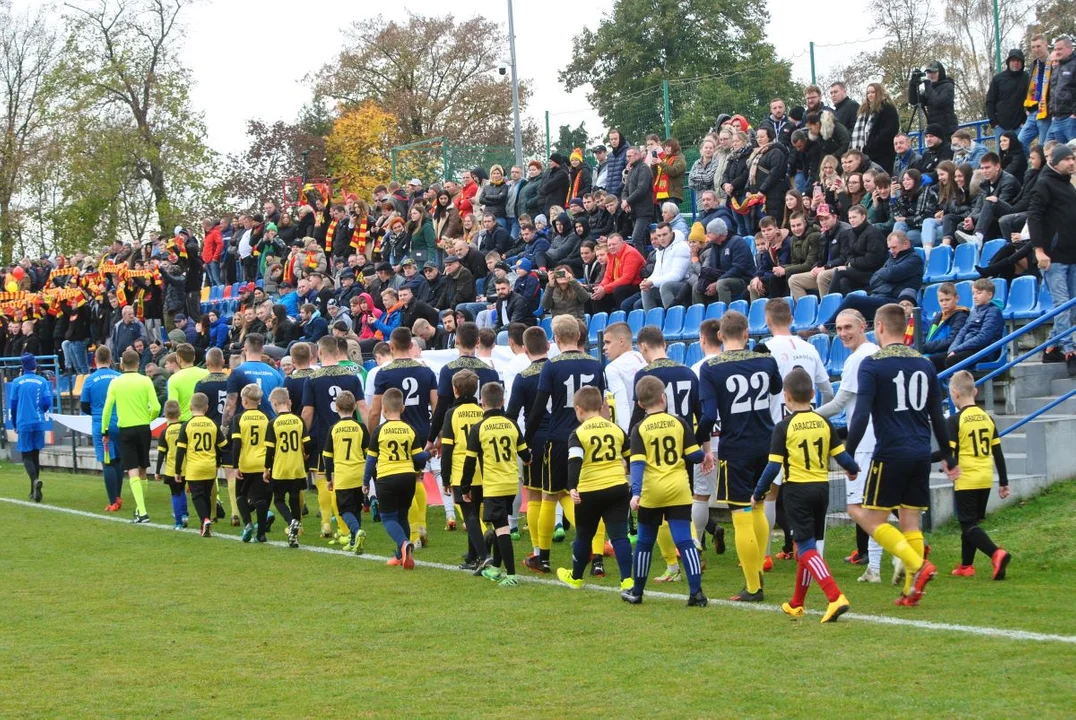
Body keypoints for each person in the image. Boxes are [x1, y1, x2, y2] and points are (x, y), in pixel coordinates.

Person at [845, 303, 957, 606]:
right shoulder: (924, 363)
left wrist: (849, 453)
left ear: (878, 327)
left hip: (890, 453)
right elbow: (938, 414)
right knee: (910, 523)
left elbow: (861, 414)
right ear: (904, 327)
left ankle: (918, 566)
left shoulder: (873, 363)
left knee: (872, 519)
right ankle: (910, 591)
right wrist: (948, 454)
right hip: (920, 453)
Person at [752, 368, 860, 623]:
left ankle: (835, 597)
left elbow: (773, 466)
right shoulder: (824, 422)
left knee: (806, 547)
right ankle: (797, 602)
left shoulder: (783, 427)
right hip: (822, 490)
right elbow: (841, 455)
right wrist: (853, 469)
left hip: (797, 491)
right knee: (806, 545)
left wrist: (758, 492)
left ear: (786, 397)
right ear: (813, 394)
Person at [698, 311, 783, 602]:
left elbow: (709, 415)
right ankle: (758, 566)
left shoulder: (711, 367)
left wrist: (700, 440)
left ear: (720, 336)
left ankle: (753, 586)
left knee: (741, 514)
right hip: (767, 442)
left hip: (737, 446)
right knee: (757, 507)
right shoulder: (766, 360)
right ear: (747, 333)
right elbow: (777, 388)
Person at [524, 315, 605, 574]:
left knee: (550, 496)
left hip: (559, 438)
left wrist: (527, 440)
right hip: (591, 435)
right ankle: (599, 557)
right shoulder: (595, 364)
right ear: (579, 336)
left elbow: (538, 407)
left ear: (556, 339)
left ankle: (543, 558)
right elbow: (603, 404)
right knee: (587, 498)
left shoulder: (552, 366)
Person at [621, 376, 707, 607]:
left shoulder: (639, 429)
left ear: (640, 404)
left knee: (645, 542)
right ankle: (696, 593)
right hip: (678, 487)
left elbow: (637, 463)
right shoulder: (678, 422)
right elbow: (694, 455)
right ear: (663, 397)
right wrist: (704, 456)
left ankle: (637, 592)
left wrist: (636, 492)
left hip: (652, 490)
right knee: (684, 540)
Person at [814, 310, 885, 581]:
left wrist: (803, 415)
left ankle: (899, 551)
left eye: (848, 327)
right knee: (875, 507)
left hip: (866, 441)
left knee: (857, 507)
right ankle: (877, 566)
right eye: (839, 328)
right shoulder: (877, 352)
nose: (843, 333)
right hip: (881, 438)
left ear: (863, 325)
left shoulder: (859, 358)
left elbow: (839, 403)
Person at [552, 385, 635, 592]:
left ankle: (576, 577)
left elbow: (574, 461)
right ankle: (627, 580)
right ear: (601, 406)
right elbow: (632, 456)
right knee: (619, 536)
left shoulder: (578, 433)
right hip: (617, 487)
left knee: (583, 536)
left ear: (579, 409)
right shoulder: (616, 429)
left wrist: (572, 486)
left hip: (590, 490)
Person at [940, 371, 1012, 579]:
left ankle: (996, 553)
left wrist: (922, 458)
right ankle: (966, 566)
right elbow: (997, 452)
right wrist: (1004, 482)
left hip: (966, 477)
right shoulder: (988, 418)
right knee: (971, 523)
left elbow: (948, 452)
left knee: (967, 524)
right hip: (985, 477)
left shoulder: (955, 420)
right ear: (976, 391)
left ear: (954, 393)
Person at [301, 335, 364, 542]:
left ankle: (327, 523)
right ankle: (348, 527)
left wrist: (303, 439)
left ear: (319, 352)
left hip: (324, 437)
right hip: (352, 435)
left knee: (324, 481)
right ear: (338, 351)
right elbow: (363, 408)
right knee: (348, 485)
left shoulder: (313, 378)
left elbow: (308, 412)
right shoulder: (352, 377)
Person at [364, 387, 431, 568]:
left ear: (383, 409)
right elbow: (418, 457)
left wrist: (365, 482)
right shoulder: (410, 429)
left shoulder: (379, 431)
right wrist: (429, 454)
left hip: (387, 477)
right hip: (408, 477)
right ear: (402, 408)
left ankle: (403, 544)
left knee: (388, 518)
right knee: (402, 516)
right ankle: (401, 556)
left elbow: (371, 459)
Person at [506, 327, 554, 558]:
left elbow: (511, 416)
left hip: (536, 439)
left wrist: (521, 444)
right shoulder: (561, 370)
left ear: (524, 349)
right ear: (548, 346)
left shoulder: (523, 377)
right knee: (566, 493)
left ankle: (539, 552)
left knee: (535, 495)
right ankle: (594, 551)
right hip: (566, 436)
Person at [102, 349, 162, 524]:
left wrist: (105, 430)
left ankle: (142, 511)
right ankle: (140, 508)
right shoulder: (145, 381)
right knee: (143, 467)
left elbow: (107, 409)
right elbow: (157, 407)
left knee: (132, 469)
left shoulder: (116, 382)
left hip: (126, 429)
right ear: (138, 364)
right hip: (143, 427)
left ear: (121, 365)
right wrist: (148, 418)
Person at [1030, 145, 1076, 370]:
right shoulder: (1043, 184)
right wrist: (1039, 250)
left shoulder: (1068, 186)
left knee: (1072, 308)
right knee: (1063, 305)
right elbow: (1034, 218)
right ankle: (1069, 351)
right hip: (1053, 258)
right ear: (1055, 162)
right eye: (1067, 159)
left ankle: (1050, 347)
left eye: (1073, 159)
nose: (1071, 163)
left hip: (1072, 256)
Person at [438, 370, 488, 569]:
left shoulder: (452, 413)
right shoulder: (482, 411)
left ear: (454, 390)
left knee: (469, 515)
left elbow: (447, 448)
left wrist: (445, 477)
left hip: (461, 471)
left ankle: (483, 555)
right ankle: (472, 556)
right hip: (482, 470)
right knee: (475, 510)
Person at [263, 387, 311, 548]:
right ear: (289, 402)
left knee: (278, 499)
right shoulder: (298, 420)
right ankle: (295, 535)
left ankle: (291, 522)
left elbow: (270, 450)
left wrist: (266, 468)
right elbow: (308, 443)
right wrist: (306, 455)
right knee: (295, 499)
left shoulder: (273, 423)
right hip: (297, 468)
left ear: (275, 404)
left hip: (280, 468)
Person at [173, 392, 227, 538]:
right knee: (207, 495)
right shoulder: (213, 424)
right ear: (207, 407)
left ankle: (205, 520)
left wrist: (177, 470)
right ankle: (204, 525)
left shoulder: (186, 425)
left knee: (197, 496)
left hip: (194, 467)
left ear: (190, 407)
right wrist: (219, 461)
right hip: (210, 466)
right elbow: (223, 445)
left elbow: (181, 450)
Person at [322, 390, 369, 554]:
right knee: (356, 507)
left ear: (336, 408)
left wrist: (329, 478)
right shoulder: (360, 427)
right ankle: (355, 542)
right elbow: (368, 453)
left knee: (344, 510)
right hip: (359, 472)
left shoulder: (334, 429)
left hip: (343, 475)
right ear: (355, 406)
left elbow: (328, 457)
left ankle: (356, 533)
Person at [80, 345, 124, 511]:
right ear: (111, 360)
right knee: (118, 460)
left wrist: (97, 413)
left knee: (108, 462)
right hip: (119, 423)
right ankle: (118, 496)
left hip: (101, 425)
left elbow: (84, 405)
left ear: (95, 360)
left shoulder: (90, 379)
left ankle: (113, 501)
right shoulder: (119, 377)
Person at [229, 383, 272, 543]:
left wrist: (235, 466)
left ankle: (247, 523)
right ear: (259, 401)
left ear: (244, 401)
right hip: (262, 463)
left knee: (240, 494)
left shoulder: (239, 419)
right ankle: (261, 534)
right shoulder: (266, 418)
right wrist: (268, 465)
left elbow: (236, 444)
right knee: (260, 499)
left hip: (246, 463)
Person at [933, 278, 1004, 370]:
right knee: (931, 361)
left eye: (979, 293)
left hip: (984, 351)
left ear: (989, 295)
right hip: (967, 349)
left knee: (951, 361)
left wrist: (958, 350)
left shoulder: (993, 312)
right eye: (973, 293)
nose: (974, 296)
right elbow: (962, 332)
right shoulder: (974, 311)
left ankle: (958, 384)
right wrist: (953, 349)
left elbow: (983, 338)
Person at [11, 353, 52, 503]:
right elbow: (47, 403)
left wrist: (15, 424)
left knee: (26, 456)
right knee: (35, 455)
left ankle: (34, 481)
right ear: (35, 366)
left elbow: (13, 406)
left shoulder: (17, 382)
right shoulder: (41, 381)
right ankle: (33, 490)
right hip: (39, 422)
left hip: (24, 422)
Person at [222, 333, 285, 427]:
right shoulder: (275, 373)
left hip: (244, 426)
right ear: (262, 350)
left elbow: (230, 404)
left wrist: (224, 426)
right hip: (269, 426)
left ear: (245, 348)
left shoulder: (237, 372)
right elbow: (281, 403)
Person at [694, 218, 755, 305]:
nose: (707, 235)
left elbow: (739, 269)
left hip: (742, 279)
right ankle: (700, 316)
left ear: (718, 232)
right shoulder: (714, 246)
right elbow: (712, 267)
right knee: (697, 286)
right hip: (722, 277)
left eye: (709, 232)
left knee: (722, 284)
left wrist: (717, 281)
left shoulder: (737, 242)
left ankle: (726, 315)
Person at [639, 222, 691, 310]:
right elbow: (656, 273)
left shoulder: (681, 247)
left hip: (685, 283)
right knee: (646, 289)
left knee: (665, 286)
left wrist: (653, 282)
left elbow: (677, 276)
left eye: (664, 234)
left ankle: (673, 318)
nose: (662, 238)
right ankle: (652, 321)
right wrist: (647, 281)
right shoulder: (660, 250)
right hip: (667, 282)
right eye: (659, 236)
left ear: (671, 233)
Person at [154, 400, 189, 530]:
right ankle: (185, 514)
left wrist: (157, 471)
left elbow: (161, 453)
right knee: (182, 490)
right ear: (179, 413)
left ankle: (178, 522)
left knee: (175, 493)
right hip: (185, 467)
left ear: (165, 415)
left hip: (171, 469)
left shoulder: (165, 432)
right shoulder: (184, 428)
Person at [986, 49, 1030, 147]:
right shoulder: (998, 79)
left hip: (1021, 127)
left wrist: (1025, 122)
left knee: (1022, 153)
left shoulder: (1028, 78)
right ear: (1008, 62)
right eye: (1013, 60)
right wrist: (994, 123)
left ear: (1022, 63)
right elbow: (989, 101)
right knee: (1003, 157)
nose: (1016, 63)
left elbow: (1032, 99)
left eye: (1019, 61)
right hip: (1000, 127)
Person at [852, 83, 900, 173]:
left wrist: (874, 142)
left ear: (879, 92)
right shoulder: (864, 110)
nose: (870, 95)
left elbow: (891, 128)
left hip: (883, 152)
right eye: (868, 93)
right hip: (867, 153)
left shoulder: (887, 107)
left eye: (873, 92)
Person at [1019, 34, 1053, 150]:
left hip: (1046, 111)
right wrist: (1027, 109)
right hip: (1033, 111)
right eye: (1033, 47)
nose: (1036, 50)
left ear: (1046, 45)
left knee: (1044, 147)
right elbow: (1030, 87)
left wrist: (1050, 107)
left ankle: (1041, 166)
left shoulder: (1054, 62)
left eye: (1038, 46)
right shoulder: (1034, 64)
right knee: (1019, 143)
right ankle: (1031, 166)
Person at [909, 61, 958, 138]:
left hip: (948, 130)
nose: (931, 75)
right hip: (934, 131)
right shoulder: (930, 89)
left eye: (934, 72)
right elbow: (914, 101)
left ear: (940, 73)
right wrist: (912, 84)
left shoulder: (948, 86)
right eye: (929, 73)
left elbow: (939, 102)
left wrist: (928, 85)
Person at [166, 343, 208, 422]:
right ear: (194, 357)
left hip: (184, 422)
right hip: (205, 419)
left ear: (179, 359)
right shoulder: (206, 373)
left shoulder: (174, 379)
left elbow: (173, 406)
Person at [1046, 35, 1075, 143]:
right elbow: (1053, 91)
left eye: (1060, 49)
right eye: (1055, 49)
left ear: (1069, 48)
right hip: (1056, 118)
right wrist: (1052, 113)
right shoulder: (1057, 68)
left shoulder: (1074, 65)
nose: (1057, 52)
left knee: (1073, 152)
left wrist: (1074, 114)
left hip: (1070, 118)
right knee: (1050, 150)